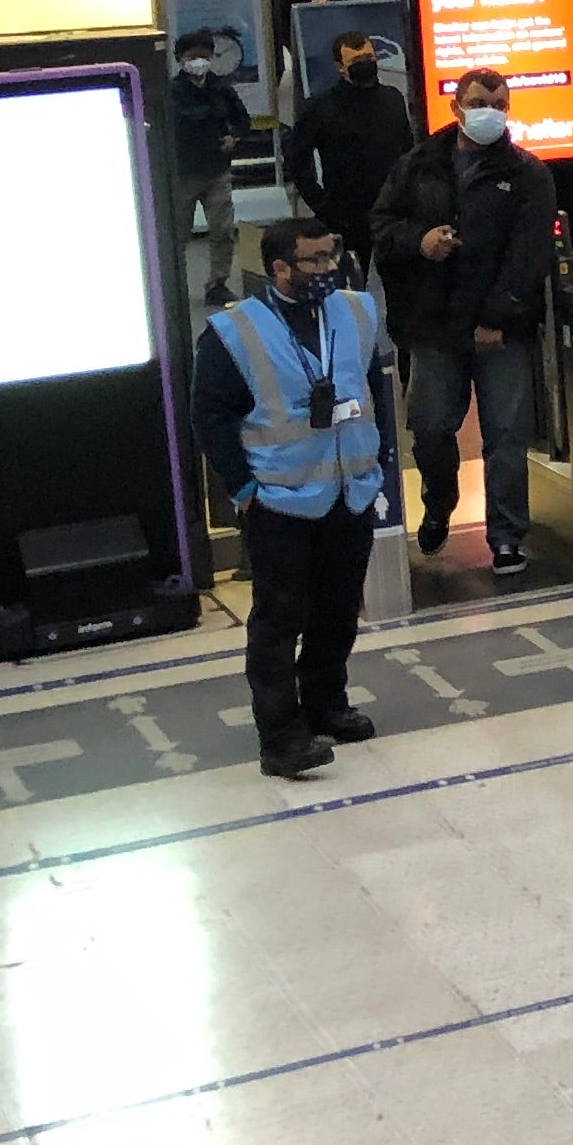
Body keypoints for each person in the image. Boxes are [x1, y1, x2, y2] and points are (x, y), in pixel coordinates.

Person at [196, 214, 390, 779]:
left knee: (338, 609)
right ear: (280, 269)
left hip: (348, 491)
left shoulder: (353, 312)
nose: (330, 268)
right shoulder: (235, 333)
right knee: (280, 618)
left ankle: (326, 703)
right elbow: (209, 415)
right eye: (315, 261)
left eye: (333, 256)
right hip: (278, 498)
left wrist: (375, 461)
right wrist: (243, 488)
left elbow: (371, 385)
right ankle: (280, 736)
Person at [372, 68, 556, 582]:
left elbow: (529, 254)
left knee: (506, 436)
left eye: (498, 103)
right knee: (429, 427)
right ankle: (439, 501)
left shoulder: (527, 174)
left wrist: (499, 317)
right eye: (478, 102)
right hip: (431, 327)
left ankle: (506, 536)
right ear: (456, 107)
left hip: (501, 332)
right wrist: (421, 241)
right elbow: (382, 229)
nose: (488, 112)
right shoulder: (418, 165)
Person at [282, 29, 411, 269]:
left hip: (392, 210)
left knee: (401, 281)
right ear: (340, 67)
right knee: (347, 287)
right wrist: (321, 204)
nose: (365, 65)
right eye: (356, 62)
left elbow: (408, 149)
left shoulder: (393, 99)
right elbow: (297, 158)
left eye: (369, 59)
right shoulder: (321, 108)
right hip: (345, 214)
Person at [165, 28, 252, 309]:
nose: (199, 62)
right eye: (193, 57)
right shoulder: (172, 91)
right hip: (184, 172)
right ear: (180, 59)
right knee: (178, 233)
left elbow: (243, 120)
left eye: (204, 56)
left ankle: (218, 284)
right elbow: (180, 121)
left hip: (218, 171)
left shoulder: (221, 87)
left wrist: (234, 137)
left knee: (223, 230)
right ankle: (172, 287)